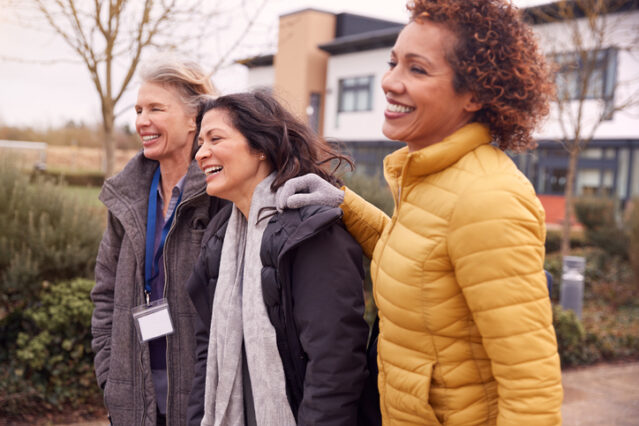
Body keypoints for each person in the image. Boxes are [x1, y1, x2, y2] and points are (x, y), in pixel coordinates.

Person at [278, 0, 564, 424]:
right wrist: (343, 201)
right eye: (393, 63)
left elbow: (531, 387)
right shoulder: (431, 177)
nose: (390, 82)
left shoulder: (488, 199)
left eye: (417, 69)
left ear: (475, 94)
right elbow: (417, 263)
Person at [185, 91, 372, 425]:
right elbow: (205, 357)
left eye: (215, 138)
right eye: (200, 142)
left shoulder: (313, 232)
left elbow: (335, 365)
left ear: (260, 147)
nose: (202, 153)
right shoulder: (220, 238)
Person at [91, 56, 227, 425]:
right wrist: (110, 374)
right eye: (138, 110)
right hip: (133, 398)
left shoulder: (223, 196)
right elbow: (104, 293)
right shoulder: (126, 198)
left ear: (192, 120)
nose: (141, 121)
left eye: (155, 108)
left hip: (201, 401)